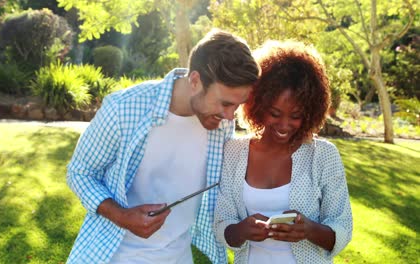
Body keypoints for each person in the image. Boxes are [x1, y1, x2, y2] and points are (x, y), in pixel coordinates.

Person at [66, 29, 260, 264]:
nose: (230, 117)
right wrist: (122, 216)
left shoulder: (219, 124)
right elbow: (80, 173)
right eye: (225, 103)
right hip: (114, 256)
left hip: (178, 257)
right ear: (196, 81)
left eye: (237, 105)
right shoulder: (123, 109)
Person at [214, 40, 353, 264]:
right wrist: (242, 230)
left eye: (295, 116)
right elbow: (222, 225)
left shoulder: (323, 156)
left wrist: (309, 230)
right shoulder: (234, 152)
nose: (284, 125)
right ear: (258, 105)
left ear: (310, 112)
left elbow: (343, 227)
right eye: (275, 113)